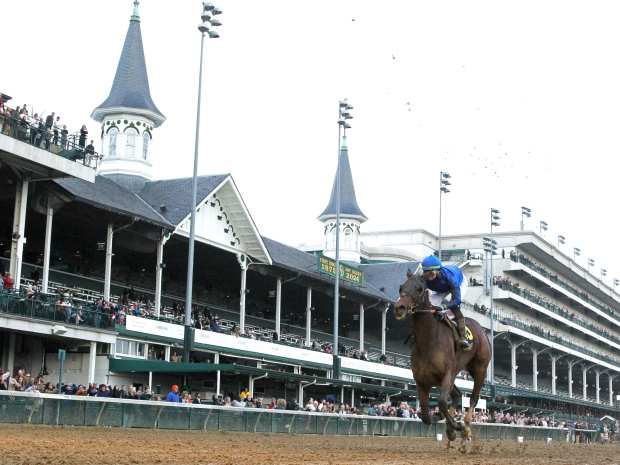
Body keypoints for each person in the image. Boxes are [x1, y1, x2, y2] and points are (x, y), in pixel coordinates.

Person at [420, 255, 471, 349]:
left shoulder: (450, 277)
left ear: (438, 270)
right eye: (426, 273)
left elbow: (457, 300)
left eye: (431, 272)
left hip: (459, 282)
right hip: (440, 288)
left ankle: (463, 338)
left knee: (453, 307)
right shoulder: (423, 278)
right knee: (430, 306)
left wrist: (443, 306)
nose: (429, 275)